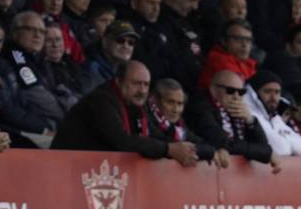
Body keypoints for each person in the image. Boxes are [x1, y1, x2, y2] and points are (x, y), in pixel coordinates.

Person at [52, 61, 198, 165]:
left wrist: (206, 152)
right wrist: (168, 150)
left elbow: (157, 136)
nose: (142, 90)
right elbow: (122, 141)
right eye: (136, 83)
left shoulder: (136, 106)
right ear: (118, 82)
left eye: (146, 84)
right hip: (64, 169)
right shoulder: (101, 100)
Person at [186, 70, 283, 171]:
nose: (236, 97)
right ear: (213, 89)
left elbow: (262, 144)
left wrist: (250, 120)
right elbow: (223, 142)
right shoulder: (199, 105)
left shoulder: (234, 109)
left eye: (241, 92)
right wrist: (266, 152)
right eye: (230, 91)